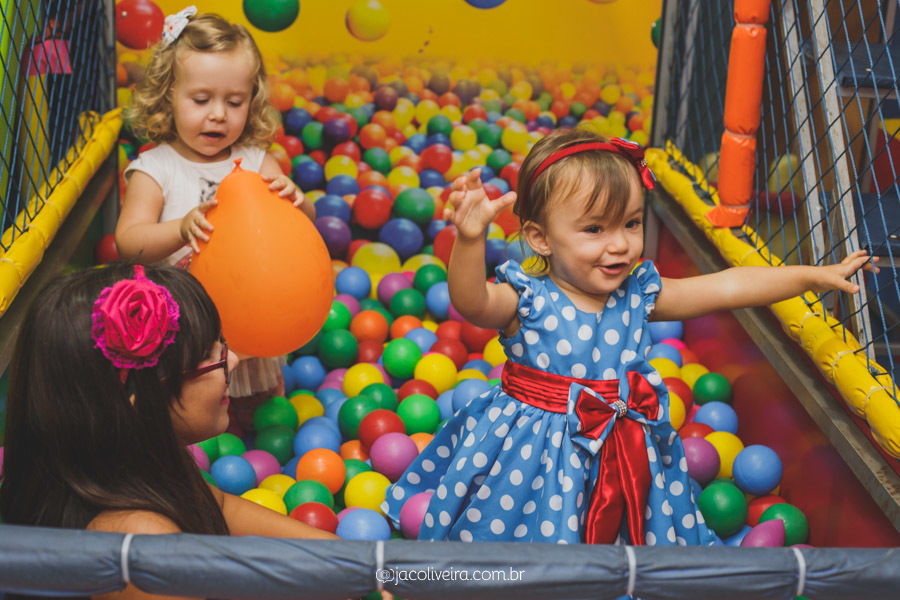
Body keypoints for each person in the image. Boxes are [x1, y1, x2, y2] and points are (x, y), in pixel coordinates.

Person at [381, 128, 877, 546]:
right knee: (525, 539)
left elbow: (728, 285)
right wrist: (469, 240)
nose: (619, 244)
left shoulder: (638, 294)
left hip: (623, 450)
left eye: (632, 223)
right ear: (540, 238)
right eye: (594, 229)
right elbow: (472, 302)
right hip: (531, 456)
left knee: (636, 541)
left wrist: (808, 276)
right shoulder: (526, 296)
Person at [0, 263, 336, 599]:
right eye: (208, 355)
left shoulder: (130, 468)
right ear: (135, 399)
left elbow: (218, 508)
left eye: (220, 344)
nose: (231, 360)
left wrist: (348, 561)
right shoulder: (140, 546)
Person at [114, 8, 315, 432]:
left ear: (252, 100)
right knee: (186, 415)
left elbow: (303, 236)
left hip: (252, 316)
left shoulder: (259, 162)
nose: (219, 114)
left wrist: (299, 201)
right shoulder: (156, 168)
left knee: (263, 414)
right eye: (201, 100)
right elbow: (128, 242)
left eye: (234, 101)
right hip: (184, 329)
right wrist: (180, 228)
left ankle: (260, 433)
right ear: (168, 95)